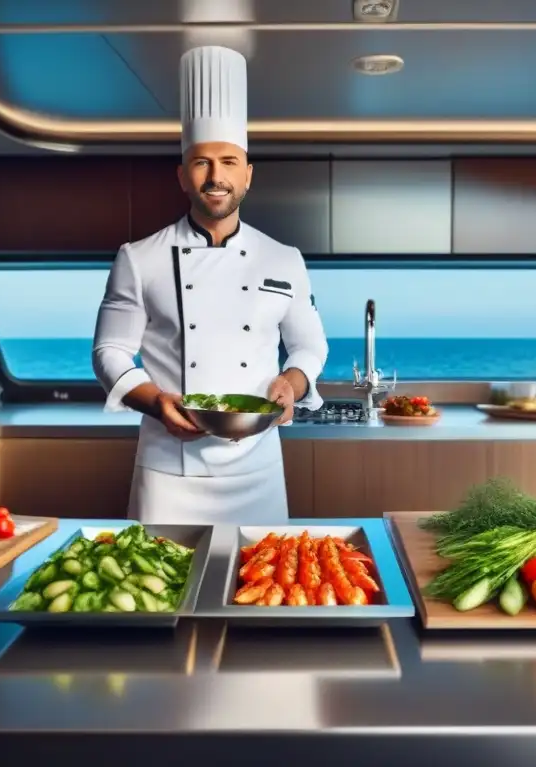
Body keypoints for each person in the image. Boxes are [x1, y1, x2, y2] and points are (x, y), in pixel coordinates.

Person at [91, 45, 329, 524]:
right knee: (162, 592)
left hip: (258, 464)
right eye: (201, 163)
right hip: (169, 467)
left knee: (259, 589)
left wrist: (292, 383)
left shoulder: (284, 258)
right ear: (182, 175)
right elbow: (109, 352)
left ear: (248, 176)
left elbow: (309, 346)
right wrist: (157, 402)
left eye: (228, 161)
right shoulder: (139, 258)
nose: (215, 176)